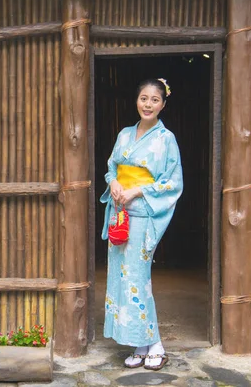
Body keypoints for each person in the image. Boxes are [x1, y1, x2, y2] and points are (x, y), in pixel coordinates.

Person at [100, 78, 183, 371]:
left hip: (144, 215)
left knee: (137, 279)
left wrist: (137, 190)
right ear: (137, 100)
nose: (148, 104)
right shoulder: (125, 134)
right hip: (119, 214)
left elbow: (173, 181)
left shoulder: (166, 139)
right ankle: (140, 343)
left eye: (155, 100)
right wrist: (114, 184)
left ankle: (156, 344)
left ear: (163, 104)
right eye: (144, 98)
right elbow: (111, 167)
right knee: (122, 280)